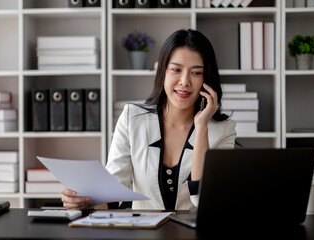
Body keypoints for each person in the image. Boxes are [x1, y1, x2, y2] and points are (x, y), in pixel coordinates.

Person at [61, 29, 236, 211]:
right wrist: (83, 201)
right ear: (163, 72)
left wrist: (201, 128)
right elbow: (112, 194)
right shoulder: (132, 118)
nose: (184, 81)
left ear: (207, 78)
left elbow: (204, 201)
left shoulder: (224, 130)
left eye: (196, 73)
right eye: (176, 70)